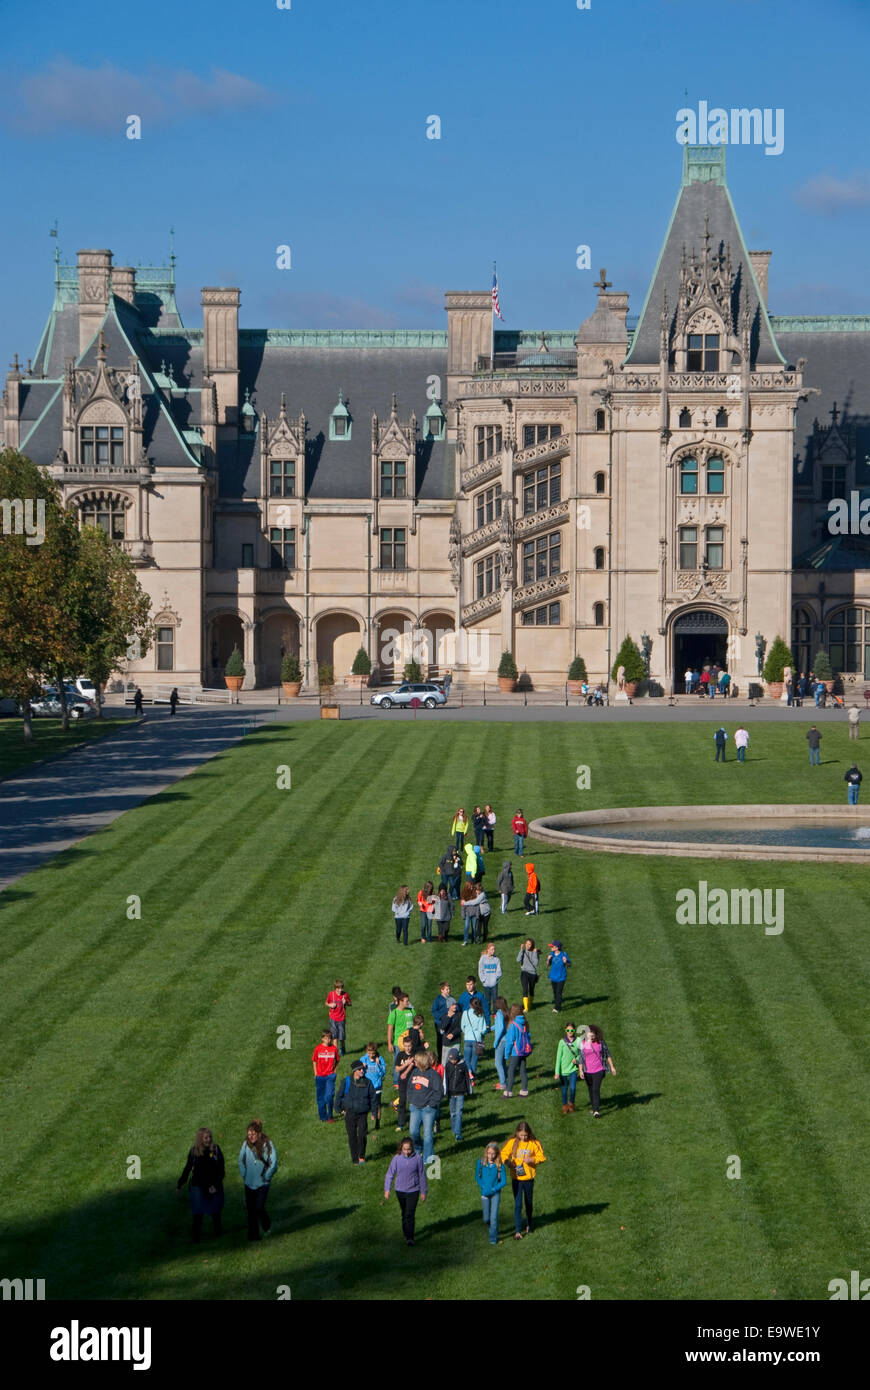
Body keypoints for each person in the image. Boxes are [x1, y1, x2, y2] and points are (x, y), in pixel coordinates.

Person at [177, 1127, 225, 1242]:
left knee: (215, 1209)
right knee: (197, 1212)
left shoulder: (216, 1150)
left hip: (214, 1184)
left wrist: (215, 1184)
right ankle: (196, 1237)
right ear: (200, 1139)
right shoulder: (194, 1152)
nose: (208, 1140)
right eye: (206, 1138)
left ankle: (218, 1232)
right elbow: (188, 1168)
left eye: (210, 1137)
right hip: (198, 1185)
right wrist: (180, 1183)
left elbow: (221, 1169)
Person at [501, 1121, 546, 1239]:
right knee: (518, 1204)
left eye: (525, 1135)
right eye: (521, 1135)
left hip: (529, 1178)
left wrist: (532, 1159)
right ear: (517, 1133)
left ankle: (529, 1224)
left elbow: (542, 1156)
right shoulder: (512, 1143)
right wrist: (508, 1162)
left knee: (528, 1202)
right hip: (516, 1178)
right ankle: (517, 1231)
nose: (523, 1138)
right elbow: (503, 1154)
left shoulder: (534, 1143)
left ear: (529, 1133)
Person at [384, 1137, 427, 1246]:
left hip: (414, 1190)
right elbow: (390, 1174)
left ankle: (410, 1238)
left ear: (412, 1148)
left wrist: (423, 1191)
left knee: (409, 1214)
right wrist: (387, 1189)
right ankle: (406, 1233)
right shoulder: (397, 1159)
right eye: (404, 1149)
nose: (407, 1152)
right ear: (401, 1148)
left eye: (409, 1149)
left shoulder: (417, 1159)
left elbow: (422, 1175)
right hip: (400, 1191)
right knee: (404, 1213)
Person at [238, 1120, 277, 1242]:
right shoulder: (246, 1144)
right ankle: (253, 1236)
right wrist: (245, 1175)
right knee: (251, 1211)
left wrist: (267, 1176)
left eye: (253, 1134)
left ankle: (266, 1225)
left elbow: (273, 1163)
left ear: (259, 1133)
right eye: (249, 1135)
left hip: (263, 1183)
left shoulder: (268, 1144)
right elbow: (241, 1160)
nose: (251, 1137)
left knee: (259, 1207)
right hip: (249, 1183)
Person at [337, 1060, 377, 1164]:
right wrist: (339, 1109)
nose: (362, 1070)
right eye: (360, 1069)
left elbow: (373, 1098)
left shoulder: (368, 1082)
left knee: (362, 1135)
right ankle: (355, 1159)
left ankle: (361, 1157)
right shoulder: (346, 1081)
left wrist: (374, 1112)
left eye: (362, 1069)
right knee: (352, 1136)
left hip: (363, 1113)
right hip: (350, 1113)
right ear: (355, 1071)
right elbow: (339, 1096)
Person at [407, 1051, 443, 1163]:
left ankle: (427, 1158)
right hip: (415, 1107)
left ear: (421, 1062)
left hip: (428, 1109)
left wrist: (430, 1104)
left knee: (427, 1134)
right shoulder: (414, 1072)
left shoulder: (433, 1075)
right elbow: (409, 1087)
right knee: (413, 1131)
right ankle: (418, 1150)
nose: (414, 1062)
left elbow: (439, 1092)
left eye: (416, 1060)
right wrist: (411, 1100)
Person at [579, 1024, 617, 1117]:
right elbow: (580, 1058)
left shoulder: (601, 1042)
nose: (591, 1037)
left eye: (593, 1035)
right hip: (587, 1071)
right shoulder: (582, 1044)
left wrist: (612, 1067)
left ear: (596, 1035)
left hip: (599, 1070)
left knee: (596, 1089)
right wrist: (580, 1070)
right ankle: (594, 1107)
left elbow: (607, 1054)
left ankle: (596, 1110)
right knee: (591, 1089)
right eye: (589, 1035)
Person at [476, 1142, 507, 1245]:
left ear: (496, 1154)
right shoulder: (480, 1163)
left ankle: (493, 1239)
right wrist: (483, 1186)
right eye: (489, 1153)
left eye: (493, 1153)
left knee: (493, 1217)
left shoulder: (499, 1165)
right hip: (484, 1193)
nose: (491, 1156)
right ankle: (492, 1228)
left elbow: (504, 1181)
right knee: (486, 1219)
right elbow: (477, 1177)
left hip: (495, 1194)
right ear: (486, 1152)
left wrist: (495, 1189)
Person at [502, 1005, 532, 1098]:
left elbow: (509, 1042)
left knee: (511, 1071)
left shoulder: (513, 1026)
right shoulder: (525, 1023)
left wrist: (506, 1054)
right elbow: (529, 1035)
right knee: (523, 1071)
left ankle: (508, 1092)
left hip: (515, 1052)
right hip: (523, 1052)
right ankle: (524, 1090)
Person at [444, 1047, 473, 1140]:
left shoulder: (463, 1065)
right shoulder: (448, 1066)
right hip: (451, 1093)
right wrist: (445, 1091)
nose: (452, 1061)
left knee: (459, 1113)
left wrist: (469, 1091)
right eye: (451, 1059)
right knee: (452, 1113)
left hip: (460, 1093)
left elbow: (467, 1079)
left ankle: (458, 1133)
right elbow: (446, 1079)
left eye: (454, 1059)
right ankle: (453, 1129)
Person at [312, 1029, 341, 1122]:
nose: (328, 1040)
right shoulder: (318, 1048)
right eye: (326, 1038)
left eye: (329, 1038)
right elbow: (314, 1061)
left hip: (329, 1076)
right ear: (322, 1039)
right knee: (320, 1098)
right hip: (320, 1077)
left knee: (329, 1096)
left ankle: (330, 1115)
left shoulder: (333, 1049)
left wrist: (334, 1072)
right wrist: (316, 1073)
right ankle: (323, 1117)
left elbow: (337, 1060)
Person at [554, 1023, 581, 1115]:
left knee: (573, 1088)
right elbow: (558, 1058)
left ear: (574, 1031)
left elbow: (581, 1054)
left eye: (572, 1030)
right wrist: (557, 1072)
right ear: (565, 1031)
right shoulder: (562, 1042)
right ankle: (565, 1106)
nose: (570, 1032)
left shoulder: (578, 1041)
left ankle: (571, 1104)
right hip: (563, 1070)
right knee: (564, 1089)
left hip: (573, 1069)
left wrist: (577, 1060)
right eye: (568, 1030)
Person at [461, 997, 488, 1080]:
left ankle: (469, 1072)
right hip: (477, 1039)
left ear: (470, 1005)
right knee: (474, 1060)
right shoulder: (480, 1014)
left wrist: (466, 1032)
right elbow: (483, 1030)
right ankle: (472, 1076)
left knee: (466, 1058)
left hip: (467, 1038)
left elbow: (462, 1026)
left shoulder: (465, 1013)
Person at [362, 1042, 387, 1129]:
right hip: (366, 1087)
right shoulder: (364, 1059)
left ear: (376, 1052)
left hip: (377, 1087)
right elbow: (358, 1071)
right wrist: (362, 1067)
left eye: (373, 1053)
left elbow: (383, 1073)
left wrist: (378, 1064)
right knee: (365, 1106)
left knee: (377, 1106)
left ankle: (377, 1123)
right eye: (369, 1053)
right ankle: (365, 1126)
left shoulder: (380, 1059)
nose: (371, 1055)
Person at [393, 1035, 416, 1130]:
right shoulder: (400, 1055)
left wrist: (407, 1070)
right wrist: (406, 1064)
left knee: (413, 1103)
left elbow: (413, 1064)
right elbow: (397, 1069)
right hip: (402, 1082)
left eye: (409, 1046)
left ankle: (414, 1122)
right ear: (403, 1045)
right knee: (402, 1102)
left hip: (413, 1081)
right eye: (406, 1046)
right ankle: (401, 1124)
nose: (408, 1048)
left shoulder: (415, 1054)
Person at [325, 978, 351, 1056]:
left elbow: (350, 1004)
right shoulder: (331, 994)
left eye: (341, 988)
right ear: (335, 988)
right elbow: (326, 1002)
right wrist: (330, 1005)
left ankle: (342, 1048)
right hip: (333, 1018)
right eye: (338, 988)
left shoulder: (345, 995)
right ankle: (336, 1053)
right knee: (334, 1037)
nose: (340, 990)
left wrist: (345, 1002)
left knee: (341, 1038)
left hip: (341, 1018)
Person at [386, 992, 414, 1060]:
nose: (408, 1002)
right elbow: (390, 1030)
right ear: (401, 1001)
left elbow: (416, 1023)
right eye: (406, 1001)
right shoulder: (394, 1014)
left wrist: (420, 1032)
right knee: (398, 1066)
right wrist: (389, 1043)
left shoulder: (411, 1011)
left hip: (411, 1043)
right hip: (399, 1044)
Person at [478, 942, 503, 1017]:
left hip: (494, 984)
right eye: (492, 949)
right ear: (488, 950)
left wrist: (495, 979)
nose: (493, 951)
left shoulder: (496, 960)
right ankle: (487, 1012)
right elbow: (480, 970)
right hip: (486, 984)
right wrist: (483, 980)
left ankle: (495, 1013)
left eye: (494, 949)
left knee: (495, 999)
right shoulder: (482, 959)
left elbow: (499, 972)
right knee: (487, 1000)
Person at [547, 940, 571, 1013]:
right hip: (553, 977)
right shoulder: (552, 954)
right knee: (555, 992)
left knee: (558, 992)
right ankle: (558, 1003)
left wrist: (565, 962)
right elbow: (548, 965)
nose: (550, 947)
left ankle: (557, 1008)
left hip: (561, 977)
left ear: (557, 948)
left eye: (552, 946)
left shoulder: (564, 954)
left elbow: (570, 964)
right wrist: (548, 960)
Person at [492, 995, 510, 1091]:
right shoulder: (506, 1012)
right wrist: (490, 1028)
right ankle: (505, 1080)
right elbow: (499, 1025)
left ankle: (503, 1084)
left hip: (501, 1041)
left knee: (497, 1063)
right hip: (507, 1040)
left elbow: (501, 1028)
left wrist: (496, 1041)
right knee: (503, 1062)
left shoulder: (499, 1013)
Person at [517, 938, 539, 1013]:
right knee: (525, 989)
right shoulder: (523, 951)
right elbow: (518, 960)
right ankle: (526, 1008)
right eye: (526, 944)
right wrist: (521, 950)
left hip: (532, 973)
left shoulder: (534, 952)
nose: (527, 945)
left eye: (529, 944)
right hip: (524, 972)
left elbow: (535, 964)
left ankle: (529, 1005)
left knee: (531, 990)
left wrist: (535, 953)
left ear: (532, 945)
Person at [460, 880, 483, 946]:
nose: (471, 887)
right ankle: (465, 940)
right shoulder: (464, 893)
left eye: (472, 886)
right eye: (470, 886)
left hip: (474, 914)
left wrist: (477, 914)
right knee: (466, 927)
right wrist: (463, 914)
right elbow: (463, 905)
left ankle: (474, 940)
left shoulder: (476, 893)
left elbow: (478, 905)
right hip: (468, 914)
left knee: (474, 928)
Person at [440, 1001, 462, 1066]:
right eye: (453, 1005)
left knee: (455, 1061)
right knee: (444, 1063)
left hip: (456, 1041)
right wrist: (448, 1017)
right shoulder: (444, 1016)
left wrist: (453, 1034)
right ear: (448, 1006)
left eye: (455, 1004)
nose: (455, 1006)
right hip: (446, 1043)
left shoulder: (459, 1015)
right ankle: (444, 1076)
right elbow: (442, 1028)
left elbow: (461, 1027)